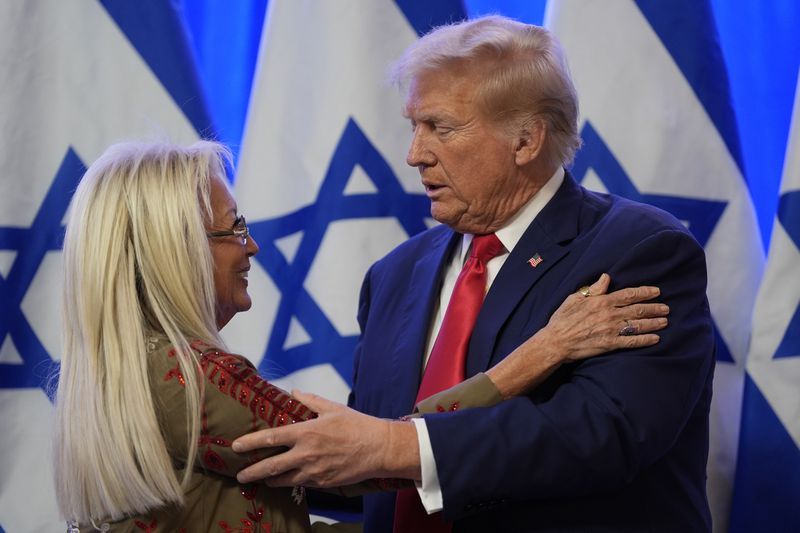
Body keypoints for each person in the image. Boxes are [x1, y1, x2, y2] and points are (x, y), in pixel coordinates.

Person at [232, 15, 715, 533]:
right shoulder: (393, 275)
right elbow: (373, 469)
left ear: (526, 140)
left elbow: (604, 431)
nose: (414, 154)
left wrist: (391, 446)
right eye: (412, 126)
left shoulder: (639, 251)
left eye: (439, 127)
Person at [53, 140, 666, 532]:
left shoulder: (133, 366)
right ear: (173, 248)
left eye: (440, 128)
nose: (253, 247)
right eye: (234, 229)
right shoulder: (191, 378)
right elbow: (362, 459)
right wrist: (539, 354)